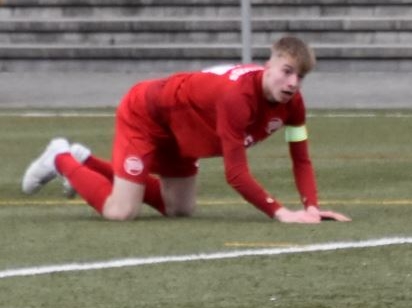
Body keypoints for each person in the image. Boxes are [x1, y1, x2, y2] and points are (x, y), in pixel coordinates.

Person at [20, 36, 352, 224]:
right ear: (268, 65)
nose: (293, 83)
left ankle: (86, 161)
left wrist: (311, 206)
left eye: (300, 77)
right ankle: (60, 158)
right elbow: (235, 174)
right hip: (147, 114)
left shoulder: (293, 105)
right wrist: (281, 213)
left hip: (182, 131)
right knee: (121, 212)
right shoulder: (237, 99)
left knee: (179, 209)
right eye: (287, 71)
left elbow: (301, 158)